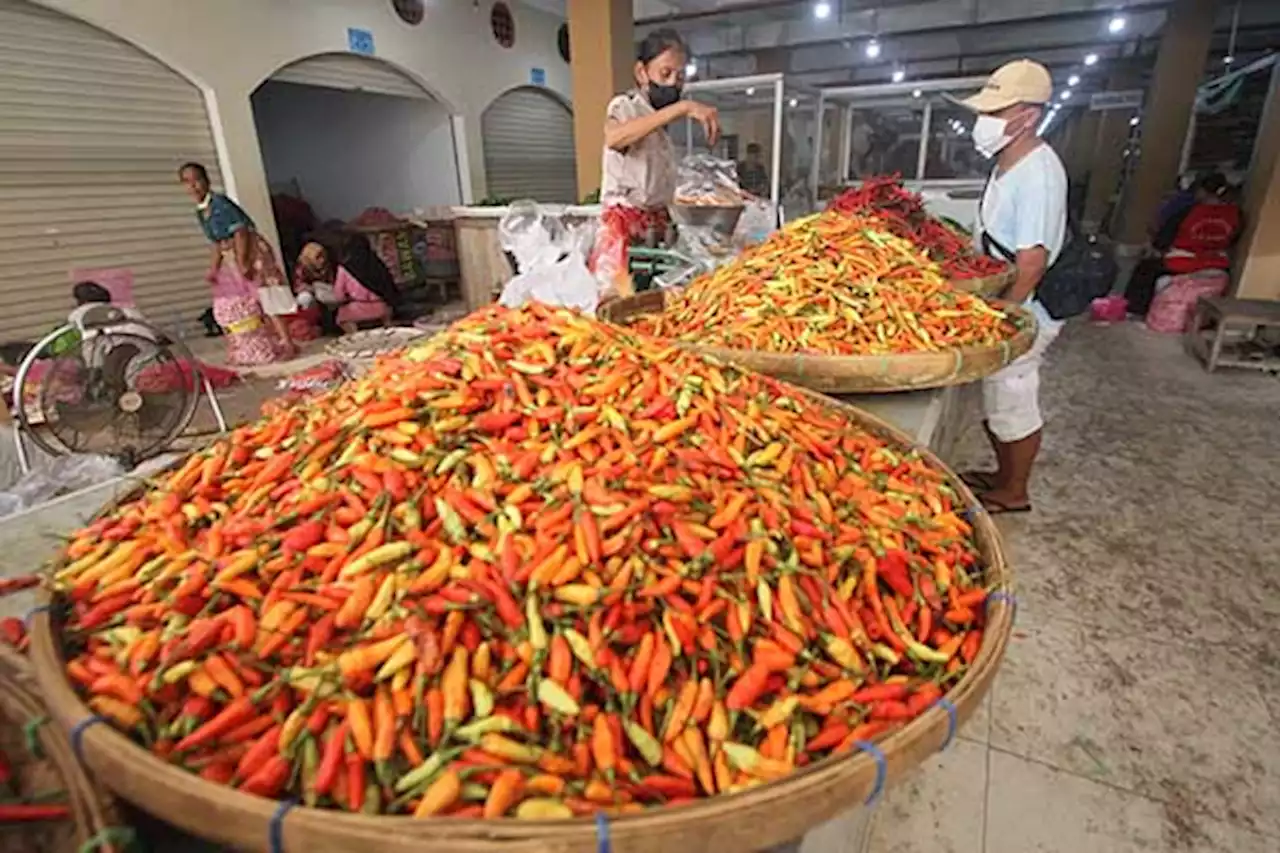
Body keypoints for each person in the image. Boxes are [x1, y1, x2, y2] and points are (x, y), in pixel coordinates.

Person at [956, 59, 1068, 515]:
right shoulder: (1009, 163)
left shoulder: (1039, 174)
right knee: (997, 400)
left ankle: (1014, 490)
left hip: (1027, 308)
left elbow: (1032, 262)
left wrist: (1003, 317)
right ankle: (1002, 477)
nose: (986, 123)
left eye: (998, 113)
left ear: (1029, 116)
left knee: (1014, 397)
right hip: (1009, 299)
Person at [590, 28, 720, 298]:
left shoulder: (659, 125)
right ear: (641, 73)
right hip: (622, 233)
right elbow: (615, 137)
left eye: (680, 77)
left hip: (654, 230)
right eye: (665, 74)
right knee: (617, 308)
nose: (673, 83)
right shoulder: (626, 106)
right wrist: (682, 108)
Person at [178, 162, 296, 363]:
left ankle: (287, 343)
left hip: (251, 251)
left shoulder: (220, 203)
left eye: (197, 180)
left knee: (265, 294)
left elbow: (240, 232)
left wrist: (244, 262)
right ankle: (266, 342)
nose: (194, 186)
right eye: (187, 182)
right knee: (249, 299)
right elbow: (216, 242)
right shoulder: (201, 211)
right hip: (232, 253)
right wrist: (214, 269)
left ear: (206, 180)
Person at [1123, 172, 1242, 317]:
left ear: (1202, 191)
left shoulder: (1189, 211)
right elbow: (1233, 238)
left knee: (1144, 269)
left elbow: (1162, 240)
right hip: (1218, 263)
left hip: (1184, 262)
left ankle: (1136, 311)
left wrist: (1157, 248)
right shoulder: (1236, 214)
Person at [332, 236, 397, 334]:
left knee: (340, 317)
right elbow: (390, 288)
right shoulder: (377, 264)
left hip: (358, 309)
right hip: (381, 308)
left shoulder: (345, 269)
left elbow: (339, 296)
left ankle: (354, 336)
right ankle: (388, 331)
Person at [293, 241, 341, 336]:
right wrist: (312, 289)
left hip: (326, 293)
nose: (322, 260)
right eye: (318, 257)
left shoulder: (329, 266)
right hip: (312, 295)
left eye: (323, 256)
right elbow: (299, 287)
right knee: (305, 298)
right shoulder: (302, 268)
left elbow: (333, 284)